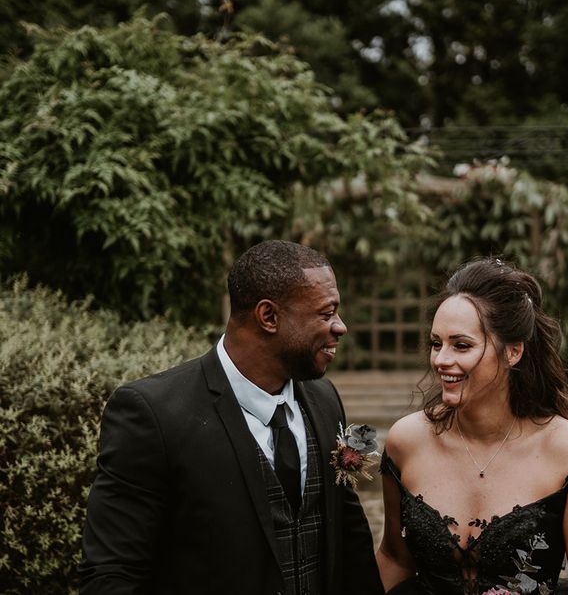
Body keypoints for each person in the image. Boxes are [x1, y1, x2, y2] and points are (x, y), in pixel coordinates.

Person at [79, 240, 385, 595]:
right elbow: (111, 575)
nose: (340, 326)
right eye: (326, 313)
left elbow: (350, 541)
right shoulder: (153, 414)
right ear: (268, 316)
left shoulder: (324, 399)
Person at [376, 258, 568, 595]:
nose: (441, 359)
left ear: (513, 351)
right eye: (436, 343)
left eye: (461, 345)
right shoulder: (407, 441)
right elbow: (394, 558)